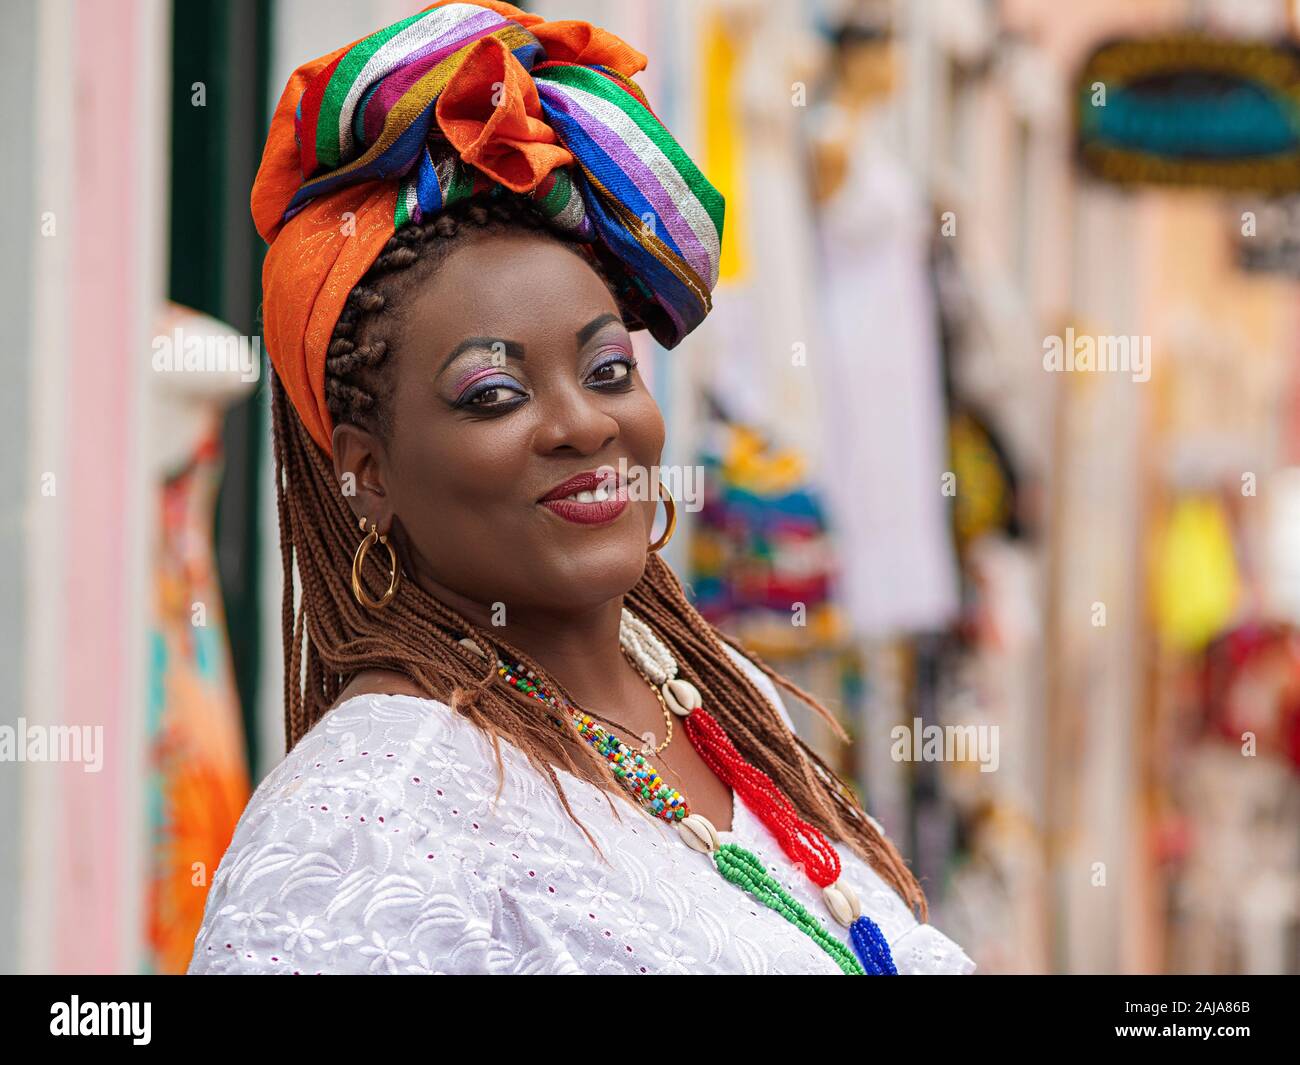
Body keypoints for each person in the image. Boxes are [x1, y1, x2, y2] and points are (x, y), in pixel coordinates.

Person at [187, 0, 975, 976]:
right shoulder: (366, 817)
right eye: (494, 392)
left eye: (607, 371)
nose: (584, 423)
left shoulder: (724, 710)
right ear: (367, 472)